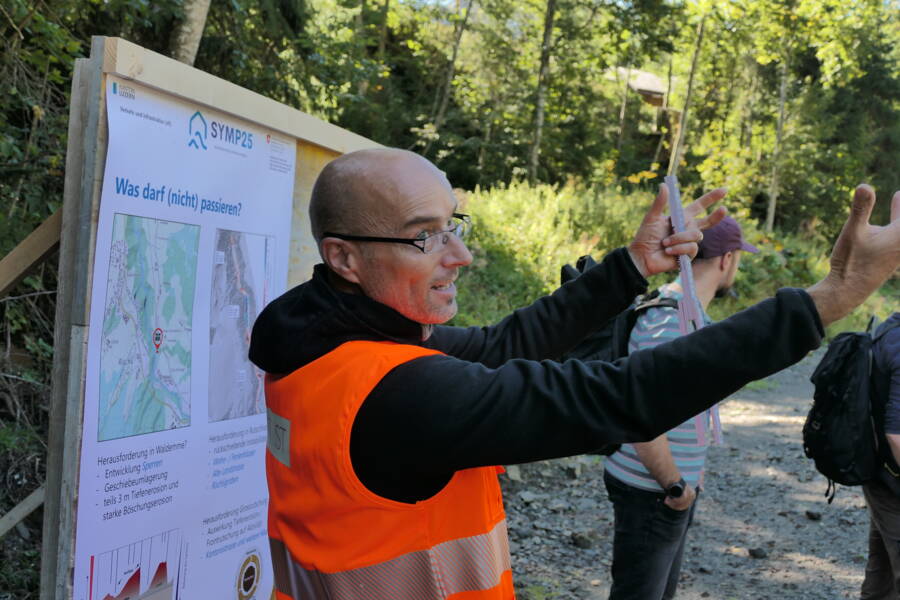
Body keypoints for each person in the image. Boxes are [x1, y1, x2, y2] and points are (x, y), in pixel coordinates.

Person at [248, 147, 900, 600]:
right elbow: (621, 396)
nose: (463, 255)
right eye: (427, 236)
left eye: (455, 226)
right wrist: (829, 299)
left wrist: (628, 267)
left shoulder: (320, 343)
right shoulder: (402, 395)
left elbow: (505, 343)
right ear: (344, 258)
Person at [602, 216, 758, 600]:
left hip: (663, 487)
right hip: (654, 487)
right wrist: (676, 485)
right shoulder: (672, 320)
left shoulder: (685, 313)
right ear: (727, 259)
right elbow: (641, 412)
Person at [862, 311, 900, 599]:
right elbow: (896, 434)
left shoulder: (890, 326)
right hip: (893, 478)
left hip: (878, 471)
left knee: (882, 573)